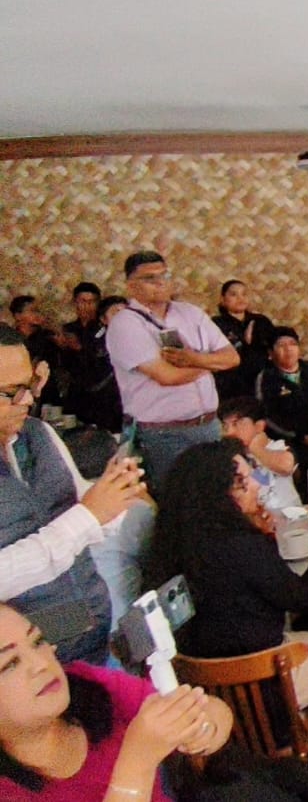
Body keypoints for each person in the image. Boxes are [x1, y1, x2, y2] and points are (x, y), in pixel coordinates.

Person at [149, 440, 308, 709]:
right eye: (242, 482)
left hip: (201, 686)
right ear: (216, 494)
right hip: (264, 681)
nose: (256, 485)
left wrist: (265, 536)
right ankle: (302, 721)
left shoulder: (170, 542)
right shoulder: (241, 544)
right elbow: (300, 597)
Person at [0, 325, 145, 664]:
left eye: (30, 385)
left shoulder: (38, 433)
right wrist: (88, 517)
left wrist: (115, 496)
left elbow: (86, 513)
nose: (28, 400)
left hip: (89, 623)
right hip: (28, 660)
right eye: (11, 392)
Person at [0, 603, 232, 800]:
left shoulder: (87, 684)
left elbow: (215, 710)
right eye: (10, 664)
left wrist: (203, 728)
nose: (41, 664)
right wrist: (138, 761)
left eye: (37, 641)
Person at [105, 251, 238, 492]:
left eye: (164, 275)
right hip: (164, 434)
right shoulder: (125, 324)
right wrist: (210, 364)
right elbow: (168, 376)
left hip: (208, 425)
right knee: (175, 500)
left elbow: (232, 358)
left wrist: (194, 359)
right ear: (130, 285)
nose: (160, 282)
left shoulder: (191, 313)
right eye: (150, 278)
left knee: (217, 495)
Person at [254, 327, 308, 486]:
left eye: (292, 344)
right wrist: (300, 437)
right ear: (270, 353)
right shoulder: (266, 378)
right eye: (281, 345)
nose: (288, 349)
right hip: (291, 443)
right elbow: (266, 416)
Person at [211, 280, 276, 402]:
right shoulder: (216, 324)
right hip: (231, 387)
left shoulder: (261, 321)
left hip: (263, 382)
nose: (240, 298)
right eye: (233, 294)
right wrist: (246, 342)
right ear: (223, 299)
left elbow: (273, 347)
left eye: (244, 294)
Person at [71, 295, 126, 433]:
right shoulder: (96, 340)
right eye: (116, 312)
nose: (123, 317)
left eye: (126, 312)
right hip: (104, 403)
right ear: (103, 319)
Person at [58, 282, 101, 419]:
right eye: (83, 301)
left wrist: (78, 347)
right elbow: (64, 364)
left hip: (100, 390)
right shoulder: (69, 329)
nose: (87, 306)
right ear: (75, 303)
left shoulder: (104, 329)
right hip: (75, 389)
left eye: (92, 302)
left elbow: (100, 361)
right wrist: (62, 347)